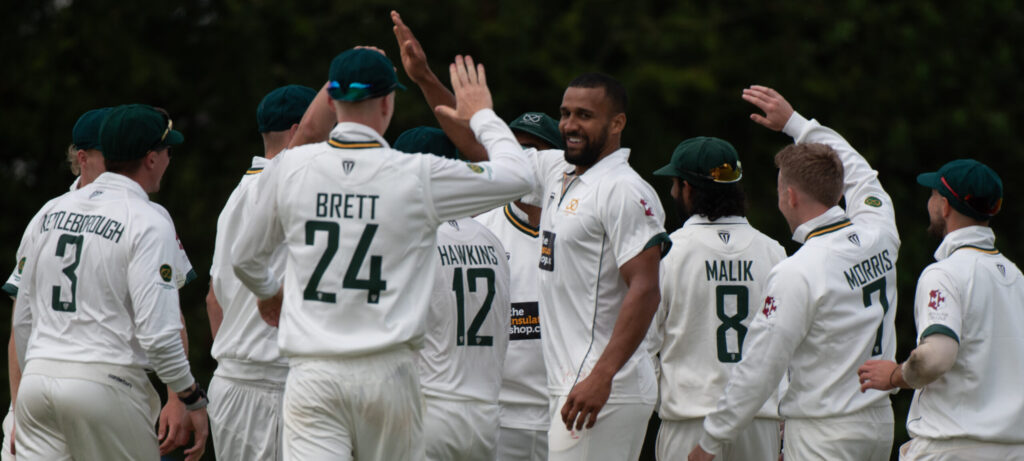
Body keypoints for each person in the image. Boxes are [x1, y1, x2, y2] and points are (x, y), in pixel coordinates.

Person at [230, 48, 536, 460]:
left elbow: (245, 258)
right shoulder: (415, 173)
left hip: (314, 372)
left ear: (333, 102)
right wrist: (481, 113)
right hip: (390, 375)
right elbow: (518, 176)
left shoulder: (291, 167)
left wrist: (270, 292)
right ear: (389, 102)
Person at [689, 85, 899, 461]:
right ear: (837, 191)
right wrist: (797, 125)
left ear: (791, 196)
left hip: (825, 431)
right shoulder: (879, 231)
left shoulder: (798, 271)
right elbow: (862, 174)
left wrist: (711, 440)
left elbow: (760, 366)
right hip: (879, 425)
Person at [10, 104, 209, 460]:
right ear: (151, 158)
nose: (169, 160)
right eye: (168, 151)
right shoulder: (148, 219)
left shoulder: (49, 211)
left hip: (37, 382)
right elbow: (160, 332)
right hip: (106, 385)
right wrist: (189, 395)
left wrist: (33, 378)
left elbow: (23, 317)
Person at [858, 159, 1024, 459]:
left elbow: (935, 358)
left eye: (933, 194)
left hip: (953, 446)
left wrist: (895, 375)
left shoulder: (944, 274)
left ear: (945, 206)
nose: (930, 202)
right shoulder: (1014, 275)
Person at [647, 137, 786, 461]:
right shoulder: (774, 252)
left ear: (689, 188)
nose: (671, 193)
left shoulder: (669, 252)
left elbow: (646, 347)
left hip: (689, 419)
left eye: (675, 184)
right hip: (759, 420)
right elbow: (788, 345)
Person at [206, 84, 316, 461]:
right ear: (302, 130)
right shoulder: (289, 183)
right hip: (270, 388)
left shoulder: (236, 194)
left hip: (233, 383)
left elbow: (212, 298)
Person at [474, 111, 562, 461]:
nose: (524, 160)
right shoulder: (482, 224)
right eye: (517, 149)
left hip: (563, 410)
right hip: (498, 414)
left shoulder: (579, 224)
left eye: (534, 151)